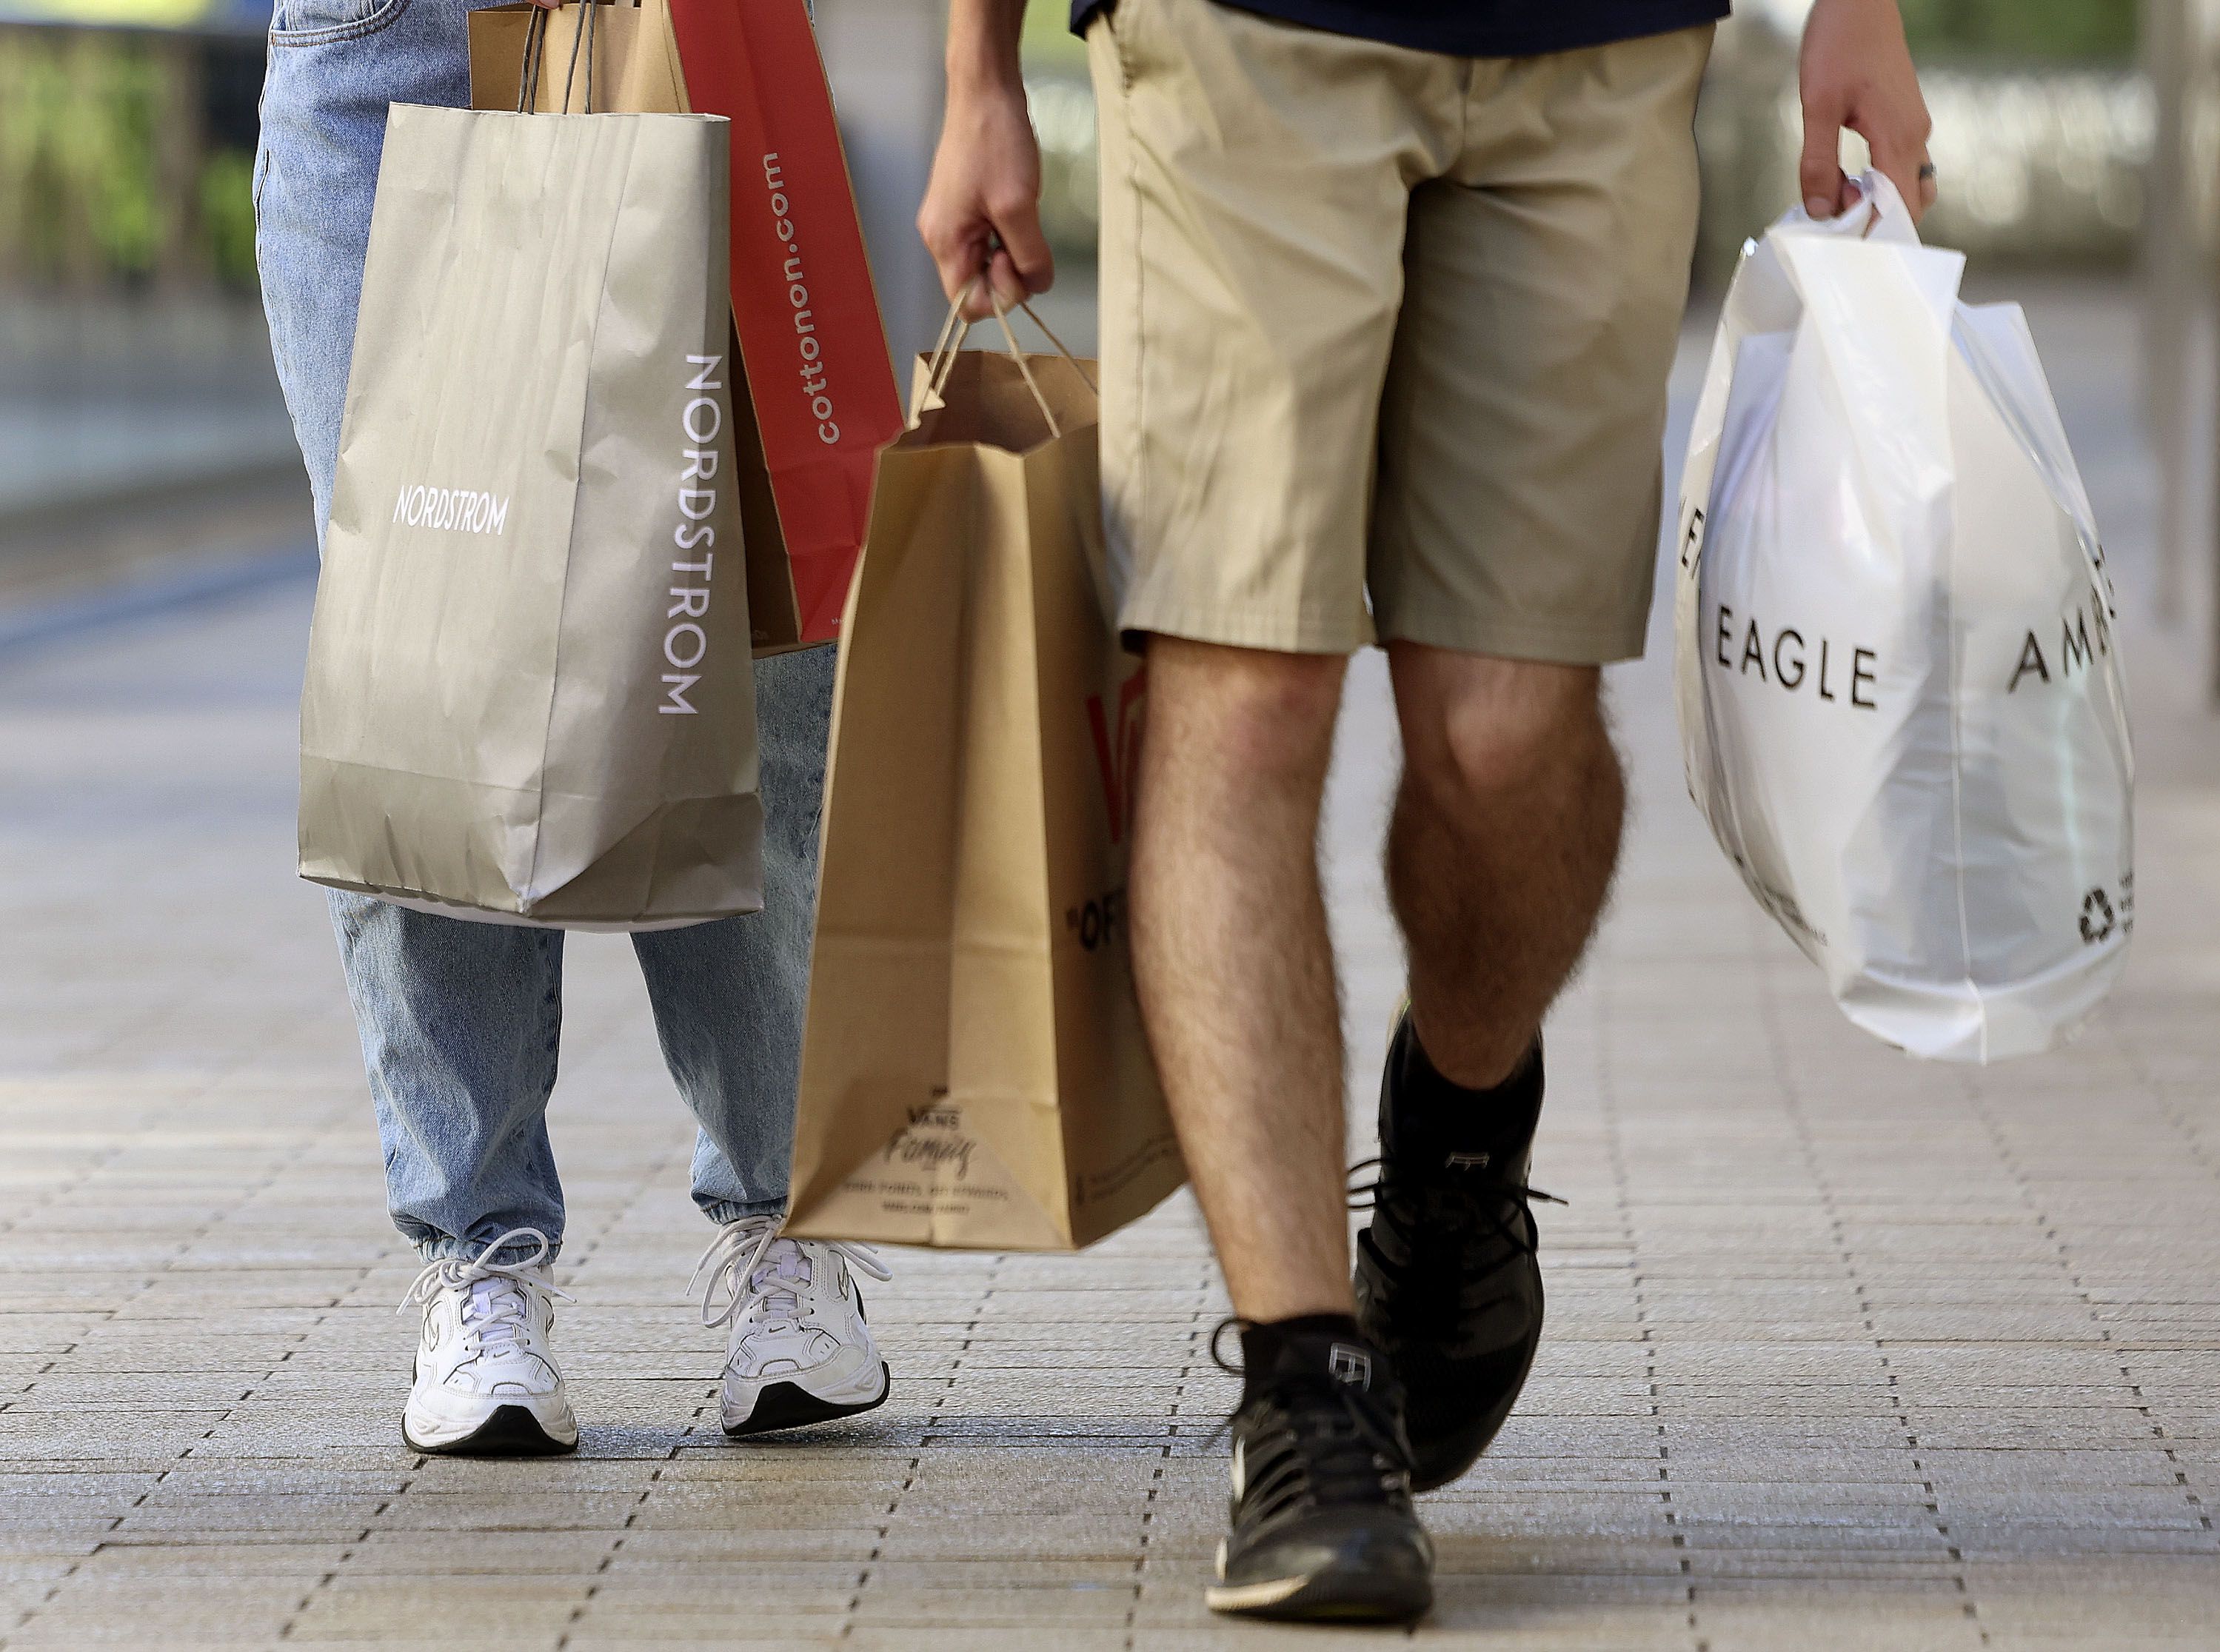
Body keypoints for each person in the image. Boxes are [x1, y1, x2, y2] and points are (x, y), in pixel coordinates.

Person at [920, 0, 1933, 1623]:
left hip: (1598, 47)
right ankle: (1306, 1391)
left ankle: (1458, 1131)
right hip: (1239, 42)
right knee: (1243, 689)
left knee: (1504, 737)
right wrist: (977, 74)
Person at [255, 0, 892, 1457]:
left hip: (675, 28)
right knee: (423, 660)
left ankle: (787, 1226)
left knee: (743, 625)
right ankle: (477, 1258)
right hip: (385, 55)